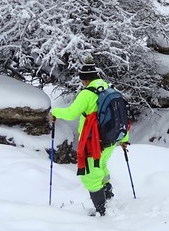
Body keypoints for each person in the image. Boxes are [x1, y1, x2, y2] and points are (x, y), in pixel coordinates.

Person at [51, 58, 125, 216]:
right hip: (110, 139)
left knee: (90, 175)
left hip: (95, 141)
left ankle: (101, 211)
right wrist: (123, 139)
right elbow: (119, 114)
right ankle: (108, 196)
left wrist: (55, 112)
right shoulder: (108, 87)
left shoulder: (87, 94)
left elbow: (71, 113)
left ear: (85, 79)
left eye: (82, 81)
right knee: (102, 166)